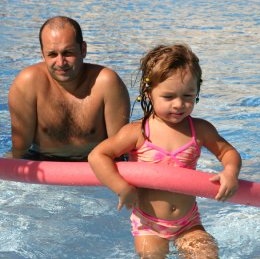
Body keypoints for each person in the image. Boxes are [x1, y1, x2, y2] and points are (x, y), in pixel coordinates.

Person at [88, 44, 242, 258]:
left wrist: (230, 172)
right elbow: (98, 155)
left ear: (197, 92)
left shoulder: (199, 130)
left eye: (188, 96)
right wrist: (121, 187)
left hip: (188, 222)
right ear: (149, 93)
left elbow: (228, 153)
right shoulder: (137, 132)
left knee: (207, 255)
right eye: (169, 97)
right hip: (148, 224)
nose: (179, 104)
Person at [8, 16, 130, 160]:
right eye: (52, 54)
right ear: (42, 54)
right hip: (42, 160)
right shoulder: (28, 83)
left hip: (95, 165)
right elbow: (19, 151)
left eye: (68, 53)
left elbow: (120, 152)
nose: (60, 62)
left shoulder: (106, 83)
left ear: (83, 49)